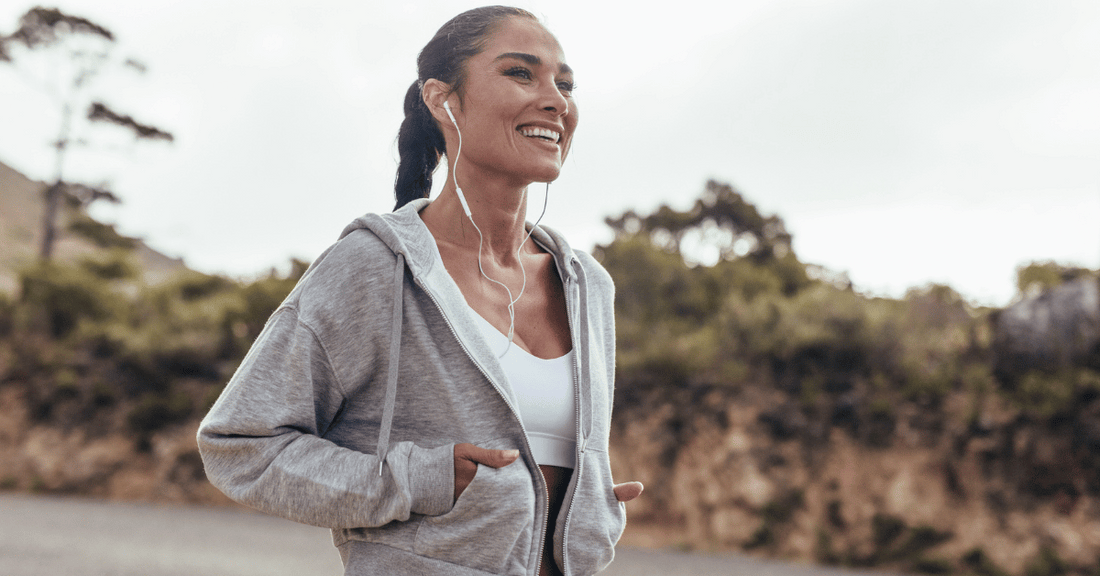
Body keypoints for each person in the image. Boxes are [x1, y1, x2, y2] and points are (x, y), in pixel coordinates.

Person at [197, 6, 641, 575]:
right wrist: (416, 479)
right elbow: (241, 446)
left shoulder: (588, 288)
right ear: (442, 98)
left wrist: (592, 504)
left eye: (566, 83)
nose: (556, 99)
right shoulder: (374, 268)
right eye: (520, 73)